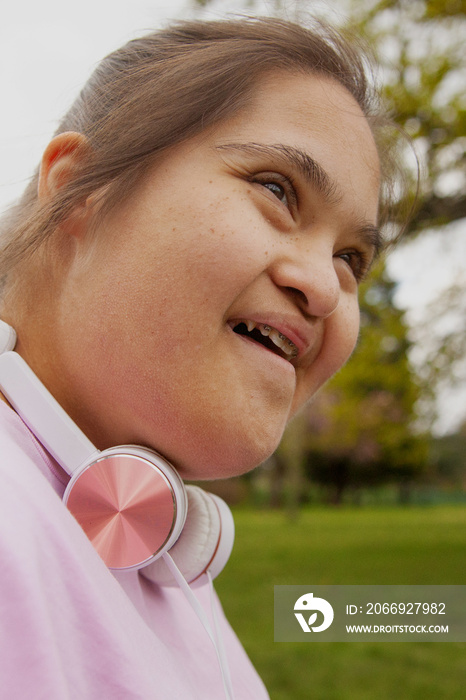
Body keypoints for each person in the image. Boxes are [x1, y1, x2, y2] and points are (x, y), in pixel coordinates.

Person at [0, 15, 402, 699]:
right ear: (81, 189)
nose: (326, 289)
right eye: (277, 190)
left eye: (350, 259)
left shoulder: (151, 548)